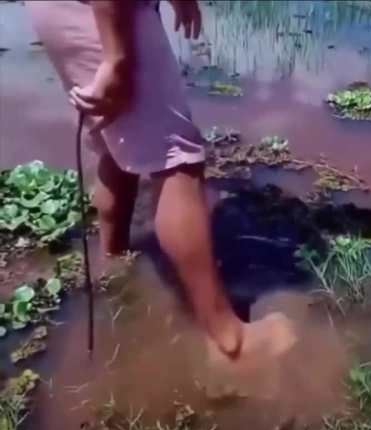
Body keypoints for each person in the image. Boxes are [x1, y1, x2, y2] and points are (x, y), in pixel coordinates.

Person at [26, 0, 243, 359]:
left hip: (62, 9)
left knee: (116, 147)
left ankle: (113, 266)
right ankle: (227, 336)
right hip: (103, 12)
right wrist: (118, 58)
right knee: (178, 159)